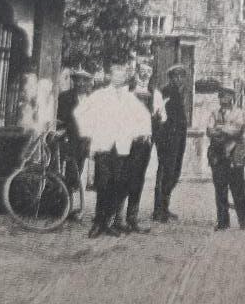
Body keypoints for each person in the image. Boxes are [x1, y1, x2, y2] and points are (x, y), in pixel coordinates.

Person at [74, 60, 152, 238]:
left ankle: (107, 222)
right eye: (117, 75)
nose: (120, 78)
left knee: (116, 185)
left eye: (123, 75)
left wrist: (142, 133)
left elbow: (143, 117)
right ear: (110, 77)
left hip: (122, 147)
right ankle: (97, 224)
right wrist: (89, 132)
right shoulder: (100, 95)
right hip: (103, 146)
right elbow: (81, 113)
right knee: (102, 184)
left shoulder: (128, 97)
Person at [112, 58, 165, 233]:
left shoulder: (155, 94)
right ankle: (117, 219)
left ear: (152, 73)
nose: (145, 74)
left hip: (144, 143)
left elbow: (162, 117)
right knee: (121, 178)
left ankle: (132, 218)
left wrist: (157, 116)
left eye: (149, 71)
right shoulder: (126, 91)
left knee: (138, 178)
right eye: (142, 70)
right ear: (136, 72)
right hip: (126, 141)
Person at [206, 87, 245, 231]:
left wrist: (220, 129)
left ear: (232, 98)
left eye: (227, 96)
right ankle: (223, 222)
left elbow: (237, 130)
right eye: (221, 96)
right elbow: (209, 130)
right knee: (220, 189)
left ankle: (243, 221)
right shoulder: (214, 113)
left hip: (234, 155)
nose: (224, 99)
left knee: (238, 189)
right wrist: (223, 130)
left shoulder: (239, 112)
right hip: (217, 155)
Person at [153, 64, 189, 222]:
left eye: (182, 76)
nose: (179, 79)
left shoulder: (181, 92)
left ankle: (164, 207)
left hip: (179, 137)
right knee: (165, 173)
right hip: (168, 138)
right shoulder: (166, 91)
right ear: (171, 77)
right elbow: (160, 116)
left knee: (174, 172)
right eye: (176, 76)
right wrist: (162, 138)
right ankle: (159, 210)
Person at [57, 68, 94, 216]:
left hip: (85, 140)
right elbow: (61, 118)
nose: (80, 83)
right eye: (78, 80)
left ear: (88, 83)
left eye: (84, 80)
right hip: (70, 139)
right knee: (69, 173)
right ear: (74, 81)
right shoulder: (65, 97)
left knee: (79, 172)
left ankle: (72, 206)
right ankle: (65, 206)